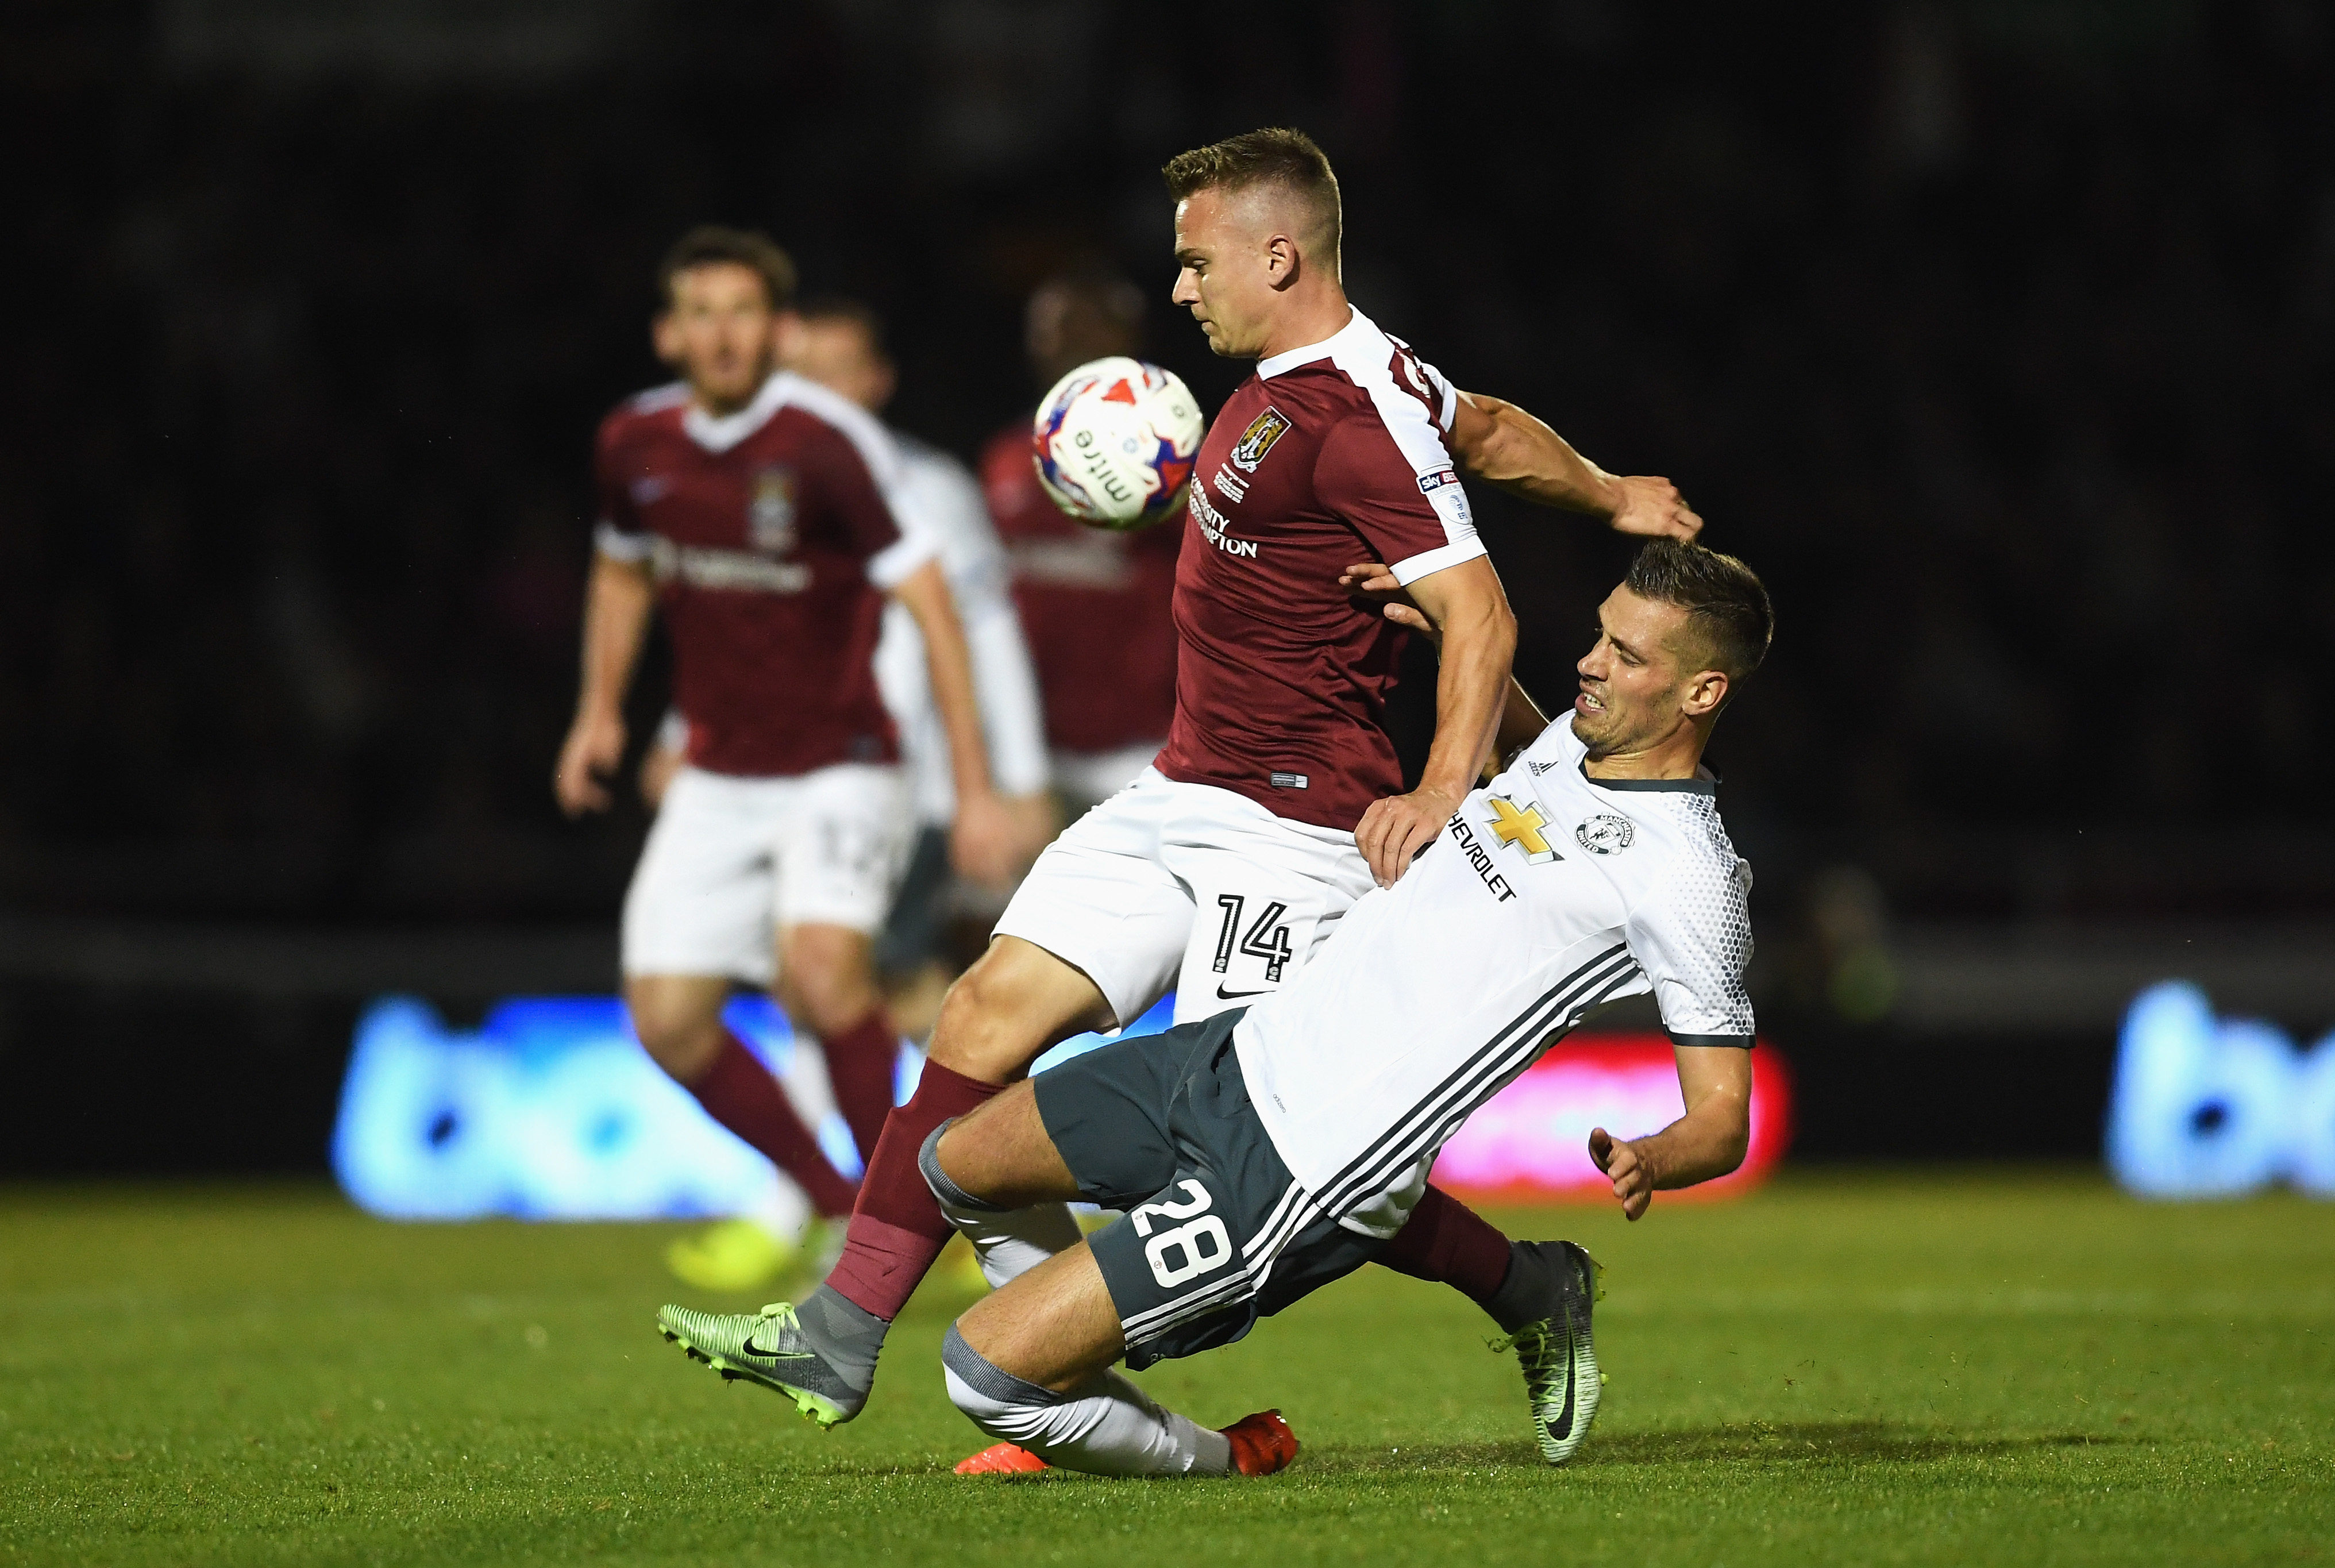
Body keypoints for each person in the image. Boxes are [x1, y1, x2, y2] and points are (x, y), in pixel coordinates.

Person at [658, 129, 1705, 1448]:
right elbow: (1487, 428)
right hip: (1180, 787)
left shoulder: (1352, 417)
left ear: (1278, 254)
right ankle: (851, 1329)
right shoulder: (1342, 373)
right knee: (980, 1014)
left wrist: (1445, 787)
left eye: (1195, 260)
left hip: (1293, 827)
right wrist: (1605, 486)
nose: (1177, 289)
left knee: (1269, 1162)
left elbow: (1477, 609)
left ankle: (1523, 1281)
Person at [661, 538, 1771, 1475]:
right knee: (954, 1160)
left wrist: (1652, 1156)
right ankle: (1085, 1357)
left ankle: (1217, 1452)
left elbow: (1722, 1112)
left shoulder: (1687, 875)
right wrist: (1438, 628)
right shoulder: (1571, 753)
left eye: (1623, 655)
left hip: (1307, 1166)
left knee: (980, 1374)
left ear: (1701, 692)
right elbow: (1521, 752)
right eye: (1597, 633)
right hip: (1230, 1056)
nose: (1589, 663)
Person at [554, 226, 1016, 1283]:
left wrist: (979, 784)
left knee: (821, 973)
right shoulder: (635, 443)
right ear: (669, 332)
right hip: (719, 771)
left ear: (779, 328)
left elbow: (935, 606)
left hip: (842, 760)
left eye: (743, 310)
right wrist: (599, 713)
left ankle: (888, 1220)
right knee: (667, 1020)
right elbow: (622, 572)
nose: (723, 333)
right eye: (701, 311)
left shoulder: (825, 444)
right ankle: (842, 1201)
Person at [979, 269, 1182, 814]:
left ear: (1128, 339)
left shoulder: (1173, 451)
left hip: (1143, 745)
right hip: (1030, 748)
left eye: (1093, 327)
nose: (1073, 344)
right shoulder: (1005, 455)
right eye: (1055, 329)